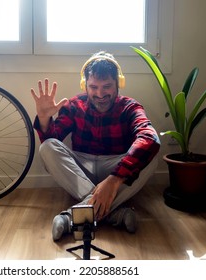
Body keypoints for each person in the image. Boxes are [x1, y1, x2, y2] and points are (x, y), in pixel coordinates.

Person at [30, 51, 160, 241]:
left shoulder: (130, 107)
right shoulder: (75, 105)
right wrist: (44, 118)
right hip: (82, 167)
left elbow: (149, 137)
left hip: (115, 168)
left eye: (107, 86)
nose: (100, 94)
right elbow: (53, 141)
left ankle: (72, 216)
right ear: (85, 86)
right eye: (93, 87)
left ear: (118, 84)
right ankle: (114, 213)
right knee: (47, 147)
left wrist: (114, 180)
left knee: (152, 154)